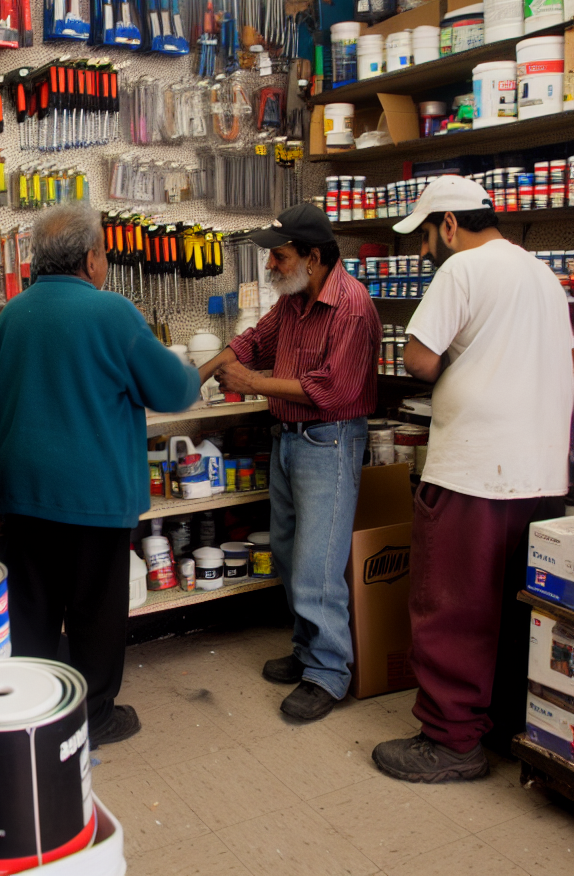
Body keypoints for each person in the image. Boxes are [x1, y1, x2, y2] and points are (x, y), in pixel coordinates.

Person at [373, 176, 572, 783]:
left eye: (427, 237)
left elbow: (419, 360)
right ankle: (512, 726)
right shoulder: (541, 274)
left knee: (452, 608)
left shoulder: (460, 271)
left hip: (475, 472)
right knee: (521, 609)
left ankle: (452, 742)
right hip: (541, 472)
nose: (426, 250)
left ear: (450, 225)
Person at [0, 204, 200, 746]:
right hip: (92, 495)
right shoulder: (112, 313)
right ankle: (93, 716)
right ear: (92, 258)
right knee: (95, 609)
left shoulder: (12, 314)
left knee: (33, 608)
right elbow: (175, 391)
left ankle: (31, 710)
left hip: (25, 490)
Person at [199, 202, 380, 721]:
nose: (271, 267)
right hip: (290, 438)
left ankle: (329, 672)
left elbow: (332, 390)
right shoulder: (296, 299)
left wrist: (252, 384)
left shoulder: (351, 306)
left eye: (278, 257)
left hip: (330, 439)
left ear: (313, 256)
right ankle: (307, 651)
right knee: (286, 550)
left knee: (317, 565)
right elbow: (254, 342)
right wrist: (202, 371)